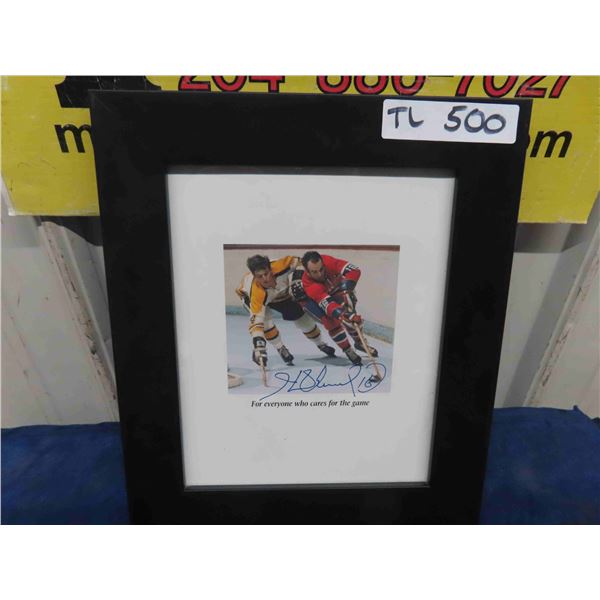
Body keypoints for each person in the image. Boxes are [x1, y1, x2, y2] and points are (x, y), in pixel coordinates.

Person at [236, 254, 335, 368]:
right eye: (260, 276)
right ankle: (280, 347)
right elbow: (256, 323)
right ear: (254, 276)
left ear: (271, 269)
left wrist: (297, 278)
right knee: (266, 323)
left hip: (281, 294)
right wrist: (258, 345)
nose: (265, 279)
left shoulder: (281, 265)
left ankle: (320, 344)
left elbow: (303, 263)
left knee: (302, 318)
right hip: (253, 298)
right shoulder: (256, 292)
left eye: (266, 273)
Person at [291, 251, 378, 366]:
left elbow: (354, 271)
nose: (320, 274)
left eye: (321, 269)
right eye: (314, 272)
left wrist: (347, 292)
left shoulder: (328, 261)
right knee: (331, 321)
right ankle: (347, 349)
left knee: (349, 312)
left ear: (323, 263)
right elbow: (329, 305)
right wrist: (344, 315)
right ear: (307, 271)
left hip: (330, 289)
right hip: (309, 299)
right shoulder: (309, 284)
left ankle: (359, 342)